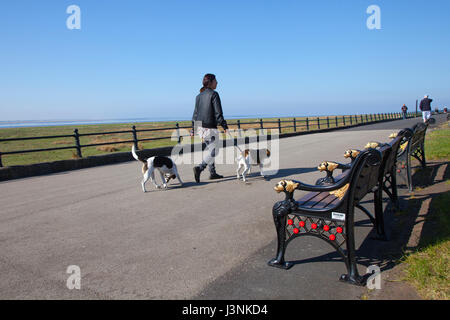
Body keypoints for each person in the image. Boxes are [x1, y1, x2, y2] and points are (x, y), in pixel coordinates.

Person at [192, 73, 228, 183]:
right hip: (210, 128)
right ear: (211, 82)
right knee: (214, 151)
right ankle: (200, 168)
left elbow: (195, 114)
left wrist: (193, 128)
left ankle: (212, 173)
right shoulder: (214, 94)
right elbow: (218, 113)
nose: (217, 82)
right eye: (215, 81)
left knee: (211, 149)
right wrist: (224, 125)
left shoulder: (198, 96)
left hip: (200, 129)